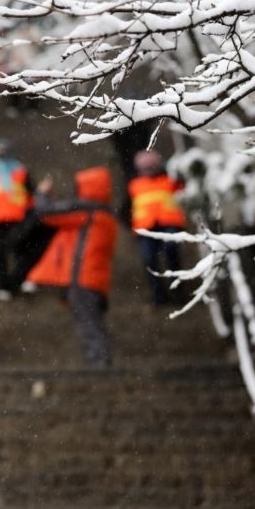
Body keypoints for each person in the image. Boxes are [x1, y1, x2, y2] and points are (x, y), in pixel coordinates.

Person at [26, 167, 118, 367]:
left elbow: (47, 213)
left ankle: (99, 365)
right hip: (95, 279)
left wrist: (42, 194)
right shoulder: (105, 215)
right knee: (92, 322)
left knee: (88, 324)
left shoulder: (89, 211)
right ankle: (100, 363)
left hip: (82, 278)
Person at [0, 138, 49, 299]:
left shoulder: (20, 170)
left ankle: (20, 281)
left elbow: (31, 192)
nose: (2, 154)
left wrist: (34, 207)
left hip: (18, 217)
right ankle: (4, 285)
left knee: (21, 248)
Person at [128, 150, 186, 305]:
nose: (148, 171)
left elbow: (185, 197)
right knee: (149, 260)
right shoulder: (135, 185)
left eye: (151, 167)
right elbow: (127, 208)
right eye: (145, 168)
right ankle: (159, 296)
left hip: (169, 225)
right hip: (145, 229)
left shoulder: (170, 181)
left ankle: (178, 291)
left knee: (171, 252)